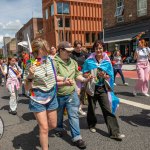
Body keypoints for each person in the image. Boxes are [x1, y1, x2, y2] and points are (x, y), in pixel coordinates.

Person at [82, 40, 125, 141]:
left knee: (107, 110)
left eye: (100, 48)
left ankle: (115, 133)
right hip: (92, 87)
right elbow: (84, 72)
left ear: (103, 49)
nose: (98, 50)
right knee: (91, 108)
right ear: (94, 49)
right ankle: (92, 125)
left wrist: (105, 76)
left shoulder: (106, 61)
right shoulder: (89, 61)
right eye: (97, 48)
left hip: (102, 88)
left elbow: (110, 75)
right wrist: (88, 75)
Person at [54, 41, 92, 149]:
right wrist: (65, 80)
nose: (70, 53)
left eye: (71, 51)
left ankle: (77, 138)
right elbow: (53, 76)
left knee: (73, 115)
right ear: (61, 50)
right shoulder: (54, 62)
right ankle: (59, 128)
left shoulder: (73, 62)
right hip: (58, 94)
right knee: (59, 115)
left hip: (71, 93)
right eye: (67, 51)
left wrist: (85, 79)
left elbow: (77, 75)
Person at [70, 40, 89, 116]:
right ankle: (73, 107)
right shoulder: (71, 55)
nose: (79, 49)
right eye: (77, 47)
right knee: (76, 92)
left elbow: (90, 60)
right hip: (75, 76)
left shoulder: (84, 54)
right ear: (74, 47)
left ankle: (79, 108)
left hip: (83, 75)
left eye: (80, 47)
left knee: (82, 93)